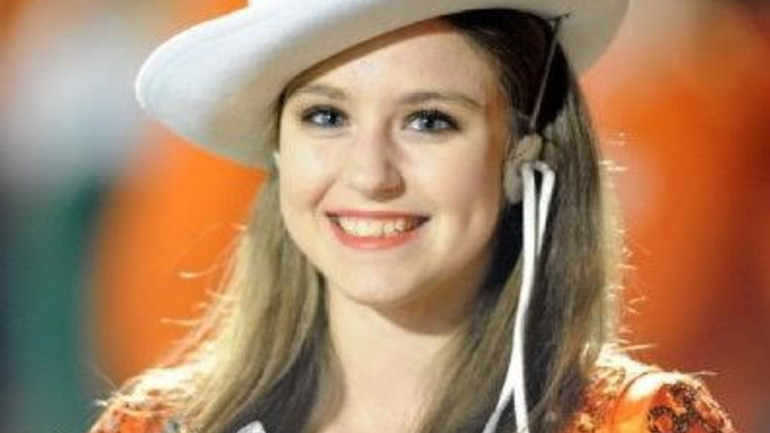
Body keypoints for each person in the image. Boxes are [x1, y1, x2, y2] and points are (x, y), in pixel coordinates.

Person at [87, 1, 738, 433]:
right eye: (326, 116)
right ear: (280, 150)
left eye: (429, 121)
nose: (371, 175)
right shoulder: (152, 426)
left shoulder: (638, 423)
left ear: (523, 153)